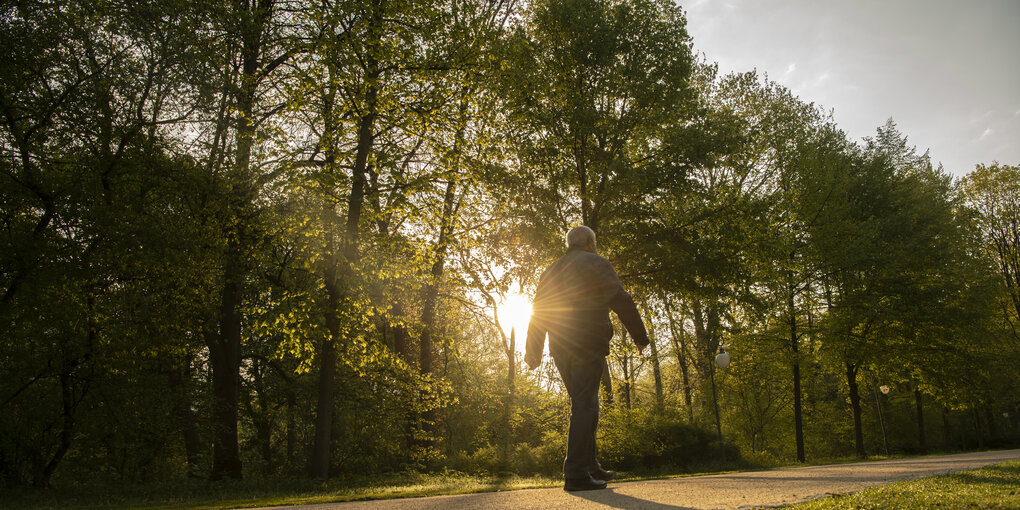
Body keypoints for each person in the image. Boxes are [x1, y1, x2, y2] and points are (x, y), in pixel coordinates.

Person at [524, 225, 649, 492]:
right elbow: (621, 300)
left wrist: (533, 350)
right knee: (584, 405)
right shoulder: (597, 263)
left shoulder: (551, 270)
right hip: (587, 344)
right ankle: (576, 474)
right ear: (590, 243)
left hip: (561, 347)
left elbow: (538, 311)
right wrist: (640, 337)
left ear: (570, 244)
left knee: (586, 403)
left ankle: (590, 465)